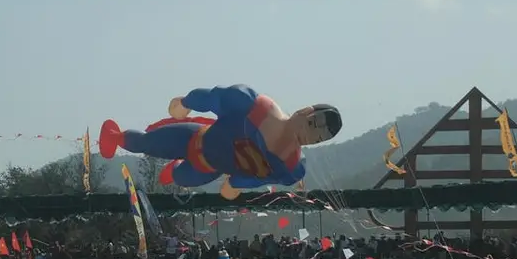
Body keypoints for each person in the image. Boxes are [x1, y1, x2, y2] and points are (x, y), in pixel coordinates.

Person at [97, 85, 343, 197]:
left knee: (182, 177)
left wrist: (236, 184)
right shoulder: (257, 107)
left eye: (318, 138)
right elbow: (217, 98)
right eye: (312, 126)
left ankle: (173, 171)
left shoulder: (291, 166)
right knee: (147, 143)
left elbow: (258, 177)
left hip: (208, 168)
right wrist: (187, 102)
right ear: (303, 111)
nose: (310, 137)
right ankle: (115, 137)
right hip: (194, 138)